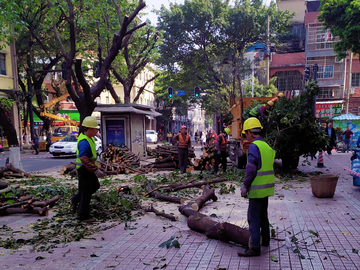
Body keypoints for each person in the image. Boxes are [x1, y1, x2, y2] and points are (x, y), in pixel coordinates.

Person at [238, 117, 275, 257]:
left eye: (245, 133)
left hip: (257, 189)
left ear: (250, 132)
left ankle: (254, 248)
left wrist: (245, 185)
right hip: (267, 189)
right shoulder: (266, 145)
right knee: (263, 216)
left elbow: (251, 169)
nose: (246, 136)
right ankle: (265, 241)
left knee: (253, 218)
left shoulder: (254, 146)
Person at [71, 116, 106, 222]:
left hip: (88, 170)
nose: (97, 131)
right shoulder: (84, 142)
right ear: (90, 129)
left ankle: (76, 199)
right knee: (86, 192)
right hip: (84, 170)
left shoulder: (89, 139)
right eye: (96, 129)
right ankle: (83, 216)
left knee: (95, 186)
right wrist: (95, 169)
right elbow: (83, 159)